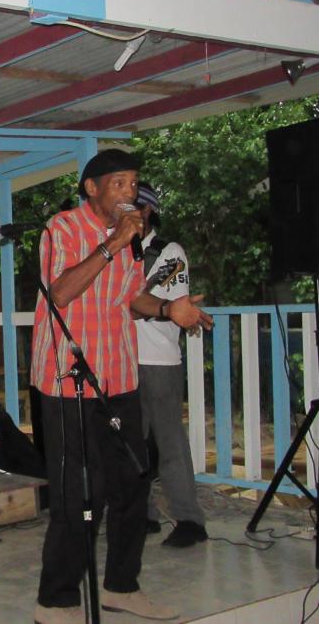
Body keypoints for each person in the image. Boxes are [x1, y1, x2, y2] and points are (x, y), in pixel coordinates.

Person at [29, 149, 213, 624]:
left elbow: (131, 299)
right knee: (78, 495)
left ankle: (122, 587)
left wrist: (168, 309)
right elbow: (61, 292)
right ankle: (56, 600)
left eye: (133, 183)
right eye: (119, 183)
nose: (130, 192)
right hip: (68, 382)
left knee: (132, 483)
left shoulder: (131, 239)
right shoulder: (62, 228)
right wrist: (112, 243)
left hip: (119, 376)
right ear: (91, 188)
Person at [134, 183, 208, 548]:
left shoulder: (169, 252)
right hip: (121, 360)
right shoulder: (114, 251)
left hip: (159, 361)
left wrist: (126, 303)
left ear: (146, 211)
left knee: (169, 442)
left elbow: (143, 305)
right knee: (130, 444)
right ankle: (142, 514)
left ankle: (190, 519)